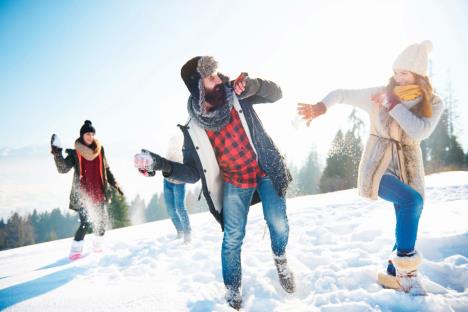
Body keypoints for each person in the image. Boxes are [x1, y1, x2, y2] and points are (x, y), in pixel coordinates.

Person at [134, 56, 295, 309]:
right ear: (199, 87)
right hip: (235, 179)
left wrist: (254, 86)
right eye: (211, 77)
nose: (218, 79)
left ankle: (280, 258)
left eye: (217, 74)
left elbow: (277, 94)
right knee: (232, 237)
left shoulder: (237, 93)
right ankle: (232, 289)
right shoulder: (193, 127)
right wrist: (160, 164)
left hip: (266, 168)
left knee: (278, 223)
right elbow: (191, 173)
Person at [297, 41, 444, 296]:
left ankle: (391, 273)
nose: (398, 78)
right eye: (396, 72)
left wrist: (393, 104)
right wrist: (322, 107)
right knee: (412, 201)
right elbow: (342, 93)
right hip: (379, 167)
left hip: (410, 168)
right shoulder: (379, 93)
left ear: (419, 76)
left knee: (407, 213)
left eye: (404, 73)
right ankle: (407, 275)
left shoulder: (432, 102)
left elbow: (419, 130)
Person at [51, 120, 123, 260]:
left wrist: (115, 183)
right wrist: (57, 154)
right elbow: (63, 169)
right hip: (83, 195)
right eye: (87, 134)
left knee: (101, 224)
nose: (90, 136)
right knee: (85, 224)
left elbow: (106, 168)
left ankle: (98, 250)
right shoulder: (75, 153)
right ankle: (75, 254)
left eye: (92, 133)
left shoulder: (100, 150)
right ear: (82, 135)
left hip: (99, 192)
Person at [163, 135, 192, 243]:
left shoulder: (185, 151)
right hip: (167, 181)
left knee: (180, 207)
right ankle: (179, 231)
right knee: (170, 209)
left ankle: (187, 232)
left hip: (179, 182)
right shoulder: (170, 148)